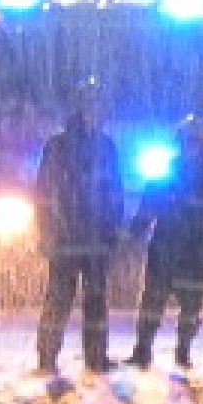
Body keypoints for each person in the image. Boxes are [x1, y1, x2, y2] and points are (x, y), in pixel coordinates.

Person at [127, 114, 203, 368]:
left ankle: (183, 351)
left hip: (195, 254)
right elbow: (147, 208)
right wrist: (133, 234)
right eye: (186, 141)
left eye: (195, 141)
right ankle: (142, 351)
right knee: (152, 304)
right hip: (163, 252)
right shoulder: (165, 175)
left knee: (191, 308)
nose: (190, 146)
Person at [34, 78, 125, 375]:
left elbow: (115, 192)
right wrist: (46, 229)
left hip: (95, 238)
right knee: (59, 298)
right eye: (91, 105)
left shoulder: (107, 147)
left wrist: (113, 229)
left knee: (95, 300)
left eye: (99, 106)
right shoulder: (58, 146)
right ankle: (47, 357)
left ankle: (96, 357)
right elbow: (44, 192)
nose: (96, 111)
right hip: (66, 236)